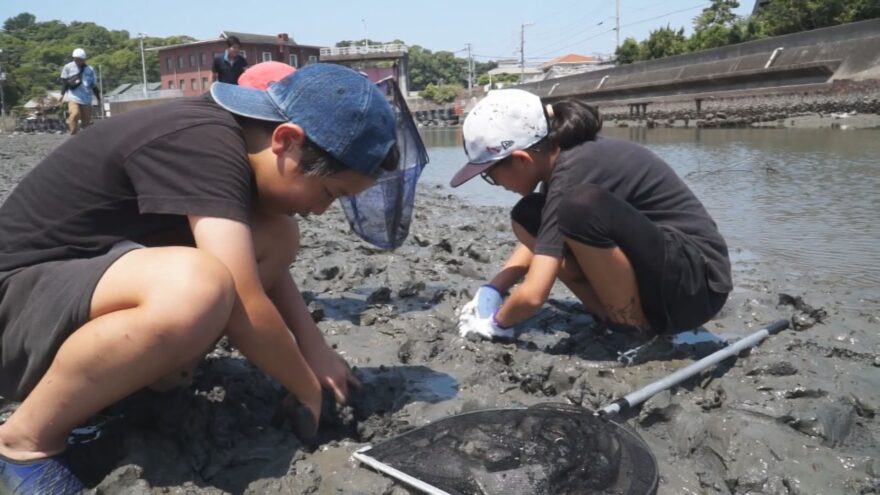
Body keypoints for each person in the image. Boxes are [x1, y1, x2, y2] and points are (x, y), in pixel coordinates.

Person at [0, 63, 398, 493]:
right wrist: (305, 388)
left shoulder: (233, 141)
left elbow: (266, 266)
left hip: (67, 290)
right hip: (16, 309)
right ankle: (27, 442)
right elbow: (244, 300)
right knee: (199, 288)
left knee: (275, 233)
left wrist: (315, 349)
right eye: (329, 194)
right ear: (286, 140)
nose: (322, 211)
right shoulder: (203, 143)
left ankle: (136, 378)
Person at [454, 89, 731, 342]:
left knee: (579, 208)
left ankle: (633, 327)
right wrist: (493, 288)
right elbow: (543, 242)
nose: (497, 184)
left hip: (697, 287)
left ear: (522, 159)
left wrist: (494, 323)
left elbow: (534, 296)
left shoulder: (573, 174)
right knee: (529, 215)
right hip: (671, 276)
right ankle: (613, 318)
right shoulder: (563, 161)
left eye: (490, 175)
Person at [59, 48, 99, 135]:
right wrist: (62, 94)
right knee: (75, 114)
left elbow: (94, 86)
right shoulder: (68, 67)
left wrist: (98, 98)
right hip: (73, 96)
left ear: (84, 59)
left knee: (86, 123)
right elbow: (65, 82)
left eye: (79, 59)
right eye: (75, 59)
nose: (77, 61)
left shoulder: (90, 69)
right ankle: (73, 135)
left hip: (86, 98)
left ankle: (84, 141)